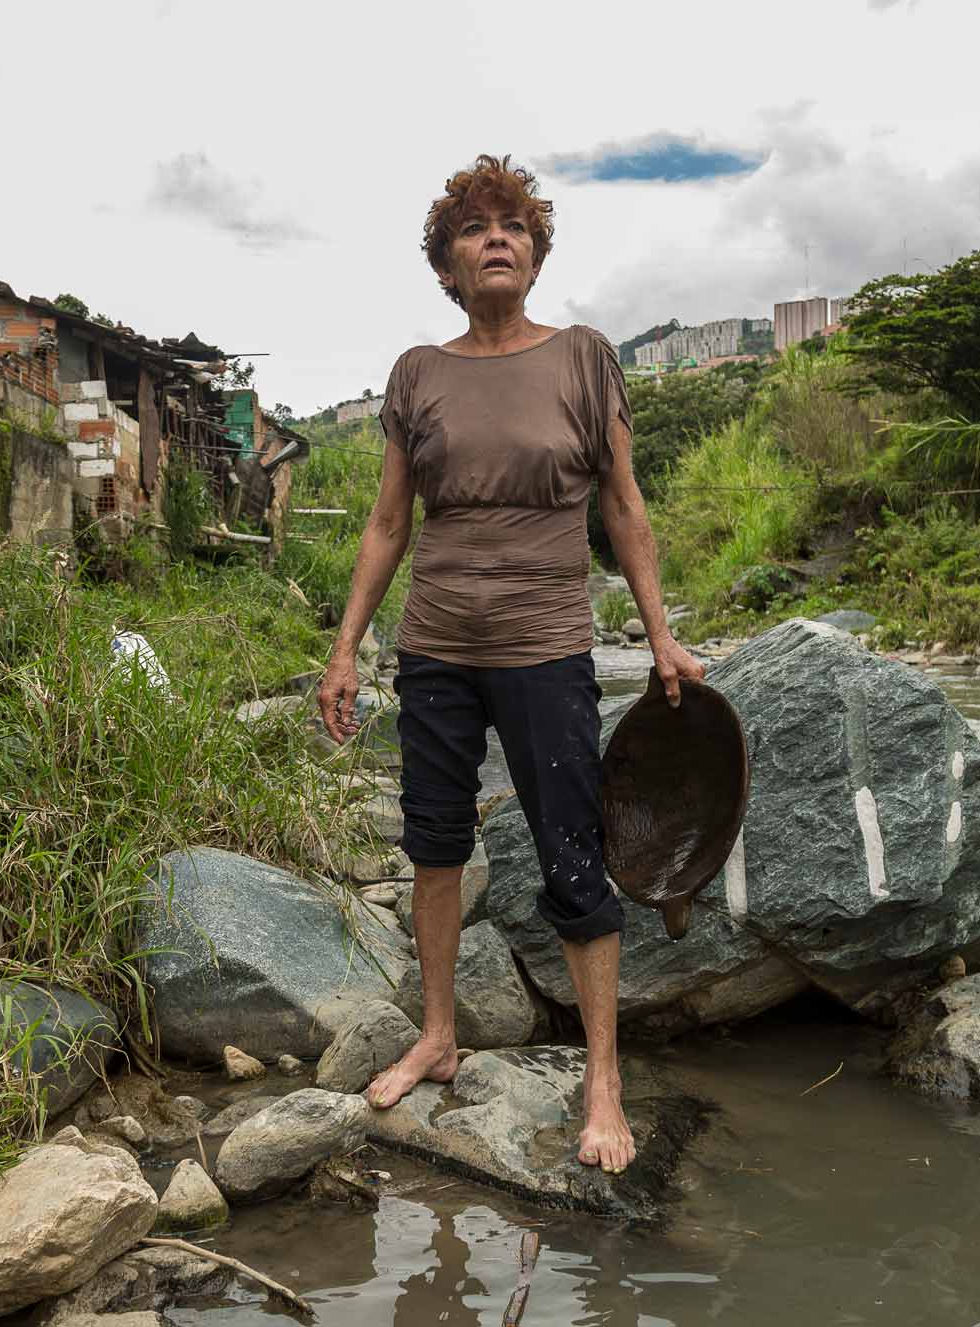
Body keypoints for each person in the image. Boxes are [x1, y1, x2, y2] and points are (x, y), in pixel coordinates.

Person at [316, 153, 703, 1175]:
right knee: (433, 842)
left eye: (514, 226)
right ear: (445, 265)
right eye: (474, 228)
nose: (496, 237)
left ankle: (602, 1076)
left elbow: (622, 506)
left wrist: (660, 635)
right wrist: (347, 645)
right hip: (438, 645)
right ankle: (439, 1033)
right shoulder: (418, 374)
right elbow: (389, 520)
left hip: (544, 647)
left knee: (574, 854)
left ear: (535, 252)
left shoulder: (583, 357)